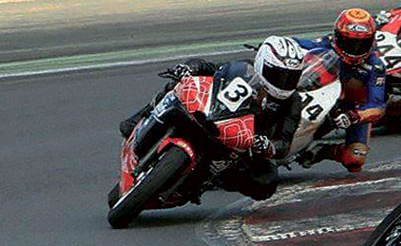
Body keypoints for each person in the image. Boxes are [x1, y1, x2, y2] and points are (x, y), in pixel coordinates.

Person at [117, 36, 307, 201]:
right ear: (263, 64)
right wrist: (189, 68)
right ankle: (139, 118)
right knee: (179, 83)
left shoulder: (293, 102)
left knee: (266, 183)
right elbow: (210, 68)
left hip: (243, 144)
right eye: (279, 75)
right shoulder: (245, 69)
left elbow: (284, 143)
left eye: (290, 77)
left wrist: (267, 146)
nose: (284, 82)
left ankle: (212, 180)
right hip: (214, 116)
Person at [293, 8, 386, 173]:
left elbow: (377, 107)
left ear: (371, 41)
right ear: (337, 37)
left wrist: (355, 116)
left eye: (361, 44)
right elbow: (296, 43)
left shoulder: (375, 67)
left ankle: (323, 151)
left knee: (355, 160)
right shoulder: (324, 44)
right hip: (315, 92)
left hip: (349, 108)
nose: (355, 49)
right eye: (349, 42)